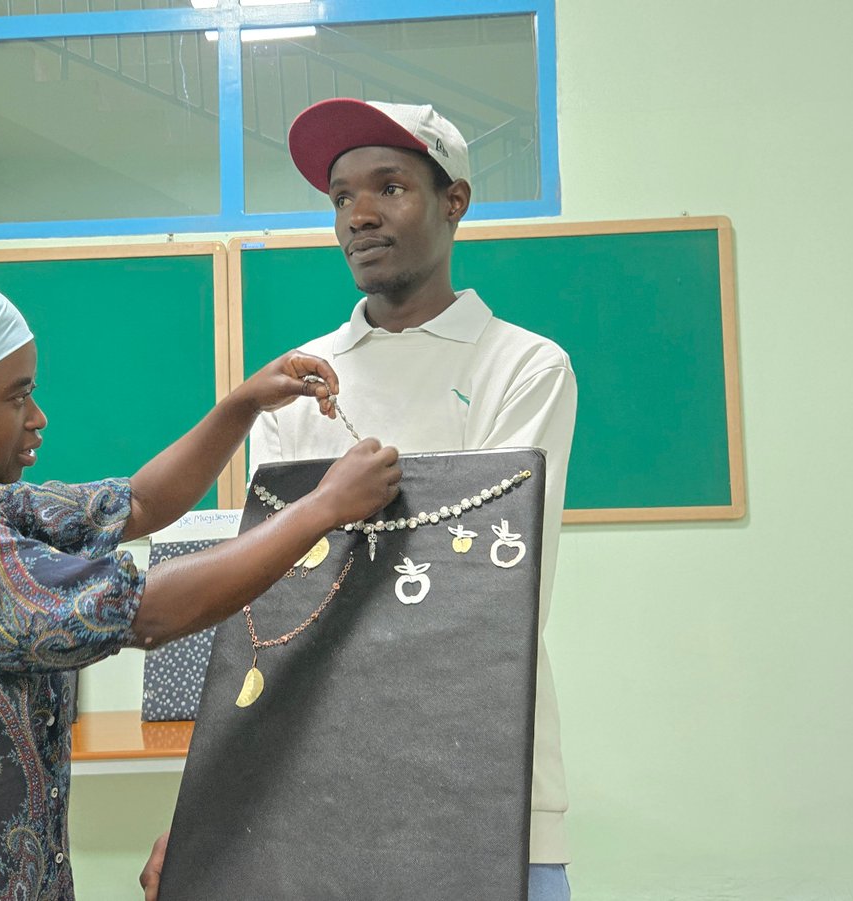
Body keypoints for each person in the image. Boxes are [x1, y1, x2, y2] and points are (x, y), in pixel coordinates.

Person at [0, 263, 400, 900]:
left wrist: (243, 405)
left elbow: (139, 503)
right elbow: (145, 612)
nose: (37, 417)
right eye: (16, 397)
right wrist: (322, 508)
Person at [140, 99, 578, 901]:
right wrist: (210, 798)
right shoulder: (299, 381)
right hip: (305, 793)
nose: (360, 215)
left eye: (390, 187)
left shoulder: (522, 367)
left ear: (454, 201)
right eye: (342, 196)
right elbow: (270, 609)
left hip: (479, 782)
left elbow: (487, 599)